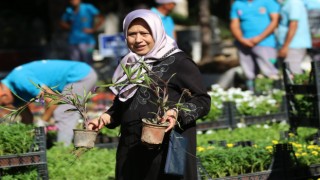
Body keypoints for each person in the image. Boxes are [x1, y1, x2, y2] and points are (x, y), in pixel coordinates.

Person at [88, 9, 210, 180]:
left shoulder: (179, 62)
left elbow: (202, 101)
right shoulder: (130, 63)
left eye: (144, 33)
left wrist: (177, 113)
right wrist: (106, 118)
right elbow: (124, 103)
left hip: (167, 149)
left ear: (157, 32)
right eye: (132, 34)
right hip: (131, 149)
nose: (138, 40)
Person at [0, 60, 97, 146]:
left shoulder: (20, 80)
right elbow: (27, 119)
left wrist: (42, 122)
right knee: (68, 113)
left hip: (79, 75)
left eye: (3, 104)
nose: (6, 106)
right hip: (75, 77)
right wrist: (22, 139)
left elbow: (54, 101)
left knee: (64, 112)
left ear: (2, 95)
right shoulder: (13, 94)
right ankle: (79, 146)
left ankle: (62, 153)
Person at [230, 0, 280, 91]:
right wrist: (241, 39)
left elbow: (275, 21)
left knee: (270, 72)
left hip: (265, 44)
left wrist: (259, 38)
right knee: (248, 74)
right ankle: (253, 95)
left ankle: (275, 97)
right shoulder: (238, 4)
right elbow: (234, 24)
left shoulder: (269, 2)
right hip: (244, 44)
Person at [277, 0, 312, 74]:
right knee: (288, 73)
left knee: (293, 72)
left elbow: (293, 25)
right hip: (289, 45)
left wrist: (285, 46)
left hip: (294, 45)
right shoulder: (286, 3)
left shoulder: (293, 3)